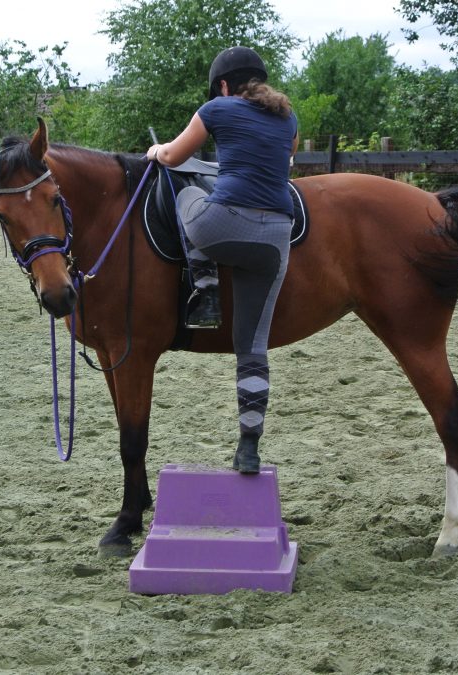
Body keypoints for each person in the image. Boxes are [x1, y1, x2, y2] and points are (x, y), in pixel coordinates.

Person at [146, 46, 299, 474]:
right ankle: (249, 448)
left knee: (186, 192)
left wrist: (155, 150)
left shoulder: (216, 108)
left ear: (225, 86)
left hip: (223, 229)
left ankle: (206, 288)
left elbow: (175, 157)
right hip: (276, 238)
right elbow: (286, 156)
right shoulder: (287, 117)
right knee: (252, 347)